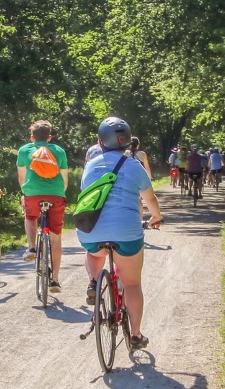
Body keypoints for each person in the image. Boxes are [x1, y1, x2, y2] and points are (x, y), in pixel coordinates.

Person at [78, 117, 163, 349]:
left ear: (99, 141)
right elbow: (150, 198)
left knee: (95, 254)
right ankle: (135, 335)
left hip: (91, 230)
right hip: (126, 232)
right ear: (127, 143)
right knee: (132, 284)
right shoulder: (134, 165)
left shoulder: (90, 165)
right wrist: (156, 216)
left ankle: (94, 281)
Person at [16, 120, 68, 292]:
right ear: (49, 137)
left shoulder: (24, 150)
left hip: (33, 193)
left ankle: (31, 247)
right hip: (56, 194)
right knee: (55, 237)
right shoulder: (59, 151)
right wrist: (60, 192)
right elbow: (64, 179)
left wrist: (26, 194)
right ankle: (55, 280)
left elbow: (21, 177)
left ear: (32, 137)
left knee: (30, 216)